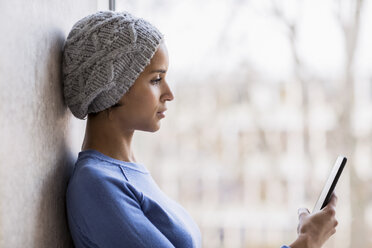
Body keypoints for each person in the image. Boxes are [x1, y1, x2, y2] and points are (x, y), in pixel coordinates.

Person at [62, 10, 338, 248]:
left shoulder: (126, 171)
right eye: (156, 80)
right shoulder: (96, 185)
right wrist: (306, 242)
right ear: (112, 86)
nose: (169, 93)